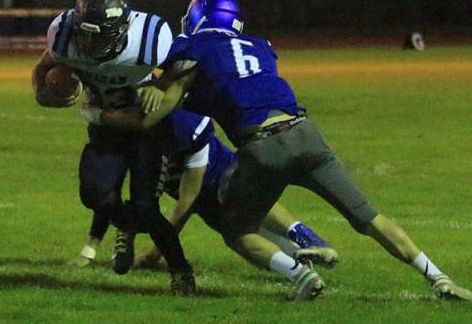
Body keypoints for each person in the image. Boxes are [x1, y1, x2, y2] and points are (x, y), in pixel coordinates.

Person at [140, 0, 472, 301]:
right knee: (369, 218)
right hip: (307, 137)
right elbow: (240, 83)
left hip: (263, 147)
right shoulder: (261, 46)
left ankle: (301, 275)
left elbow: (168, 94)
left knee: (237, 231)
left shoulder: (191, 45)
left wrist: (156, 86)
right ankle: (439, 277)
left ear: (197, 19)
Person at [32, 0, 196, 295]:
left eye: (98, 35)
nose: (88, 43)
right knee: (94, 195)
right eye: (84, 34)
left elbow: (186, 69)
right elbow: (44, 66)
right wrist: (43, 92)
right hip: (105, 129)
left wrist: (161, 87)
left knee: (146, 207)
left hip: (145, 129)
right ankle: (126, 225)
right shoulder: (64, 35)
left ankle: (180, 270)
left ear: (122, 29)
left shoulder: (149, 39)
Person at [81, 104, 337, 299]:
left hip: (225, 176)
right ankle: (299, 265)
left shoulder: (188, 129)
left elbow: (187, 200)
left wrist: (155, 252)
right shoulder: (131, 143)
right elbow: (113, 195)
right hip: (206, 202)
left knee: (241, 199)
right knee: (240, 241)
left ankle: (306, 239)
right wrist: (111, 239)